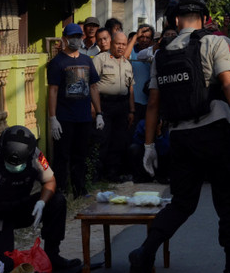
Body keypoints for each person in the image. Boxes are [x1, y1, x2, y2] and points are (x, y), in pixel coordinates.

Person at [128, 0, 230, 273]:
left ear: (175, 19)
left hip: (179, 138)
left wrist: (149, 146)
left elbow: (153, 104)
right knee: (229, 201)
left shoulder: (161, 54)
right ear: (205, 18)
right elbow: (228, 85)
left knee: (182, 203)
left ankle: (144, 251)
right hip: (213, 133)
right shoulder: (216, 43)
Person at [0, 126, 81, 272]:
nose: (15, 166)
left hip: (20, 207)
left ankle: (53, 255)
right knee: (2, 266)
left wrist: (41, 202)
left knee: (57, 200)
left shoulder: (34, 155)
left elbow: (50, 181)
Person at [47, 23, 103, 198]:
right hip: (64, 118)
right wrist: (52, 117)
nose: (75, 40)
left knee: (81, 155)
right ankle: (61, 191)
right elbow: (53, 90)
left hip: (84, 117)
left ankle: (80, 189)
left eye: (78, 36)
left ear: (82, 38)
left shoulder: (87, 61)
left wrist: (99, 113)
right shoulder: (57, 62)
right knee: (62, 155)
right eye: (72, 37)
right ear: (65, 38)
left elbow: (93, 87)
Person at [93, 31, 135, 182]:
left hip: (122, 106)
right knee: (102, 140)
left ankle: (112, 174)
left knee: (118, 141)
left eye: (124, 44)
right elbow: (91, 85)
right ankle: (96, 176)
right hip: (104, 105)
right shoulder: (100, 60)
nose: (121, 47)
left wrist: (131, 110)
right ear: (111, 43)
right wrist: (95, 108)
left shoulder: (127, 63)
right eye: (118, 43)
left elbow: (130, 88)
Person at [127, 24, 156, 124]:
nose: (144, 40)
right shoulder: (131, 51)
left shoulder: (154, 53)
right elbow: (125, 57)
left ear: (151, 40)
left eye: (147, 37)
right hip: (133, 103)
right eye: (141, 37)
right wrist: (135, 36)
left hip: (150, 102)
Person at [128, 118, 170, 184]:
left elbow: (165, 150)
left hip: (159, 157)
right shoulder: (143, 124)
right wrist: (148, 134)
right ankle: (140, 177)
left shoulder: (165, 127)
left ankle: (161, 176)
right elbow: (136, 140)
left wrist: (158, 133)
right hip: (145, 152)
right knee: (134, 148)